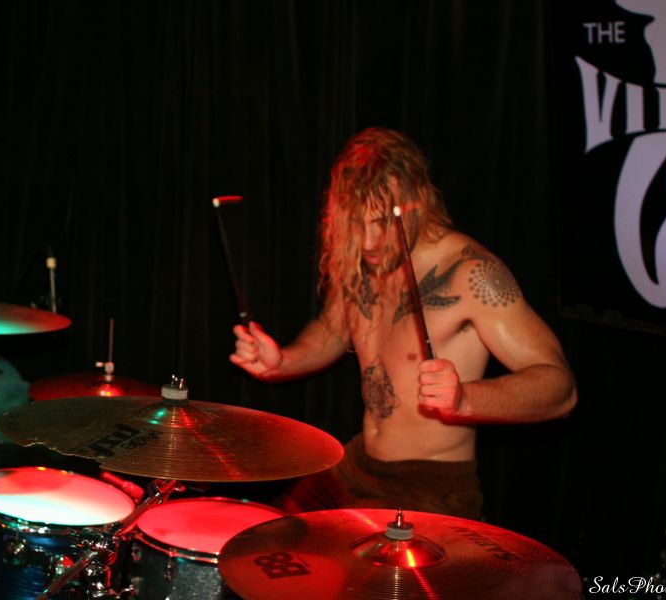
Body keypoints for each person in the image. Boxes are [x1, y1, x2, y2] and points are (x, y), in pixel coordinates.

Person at [230, 127, 577, 520]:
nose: (367, 242)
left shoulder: (471, 273)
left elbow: (560, 389)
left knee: (342, 560)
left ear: (417, 202)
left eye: (380, 222)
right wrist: (284, 361)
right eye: (355, 223)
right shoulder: (362, 255)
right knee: (262, 533)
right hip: (357, 464)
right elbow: (332, 330)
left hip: (429, 486)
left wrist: (466, 398)